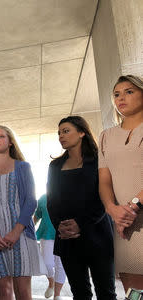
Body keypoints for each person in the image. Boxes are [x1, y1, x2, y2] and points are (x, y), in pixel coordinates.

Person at [47, 116, 116, 299]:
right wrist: (60, 226)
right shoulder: (54, 166)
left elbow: (105, 199)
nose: (61, 136)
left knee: (106, 293)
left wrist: (81, 224)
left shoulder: (99, 161)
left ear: (82, 132)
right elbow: (51, 201)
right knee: (79, 293)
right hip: (67, 238)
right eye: (59, 133)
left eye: (66, 131)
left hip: (98, 235)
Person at [0, 125, 44, 300]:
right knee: (4, 293)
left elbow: (30, 201)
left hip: (20, 233)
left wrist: (15, 232)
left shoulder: (23, 167)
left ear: (11, 142)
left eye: (1, 136)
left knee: (23, 292)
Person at [98, 75, 143, 291]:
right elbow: (105, 180)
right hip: (123, 223)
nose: (121, 97)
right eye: (116, 94)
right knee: (133, 291)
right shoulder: (106, 136)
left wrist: (134, 206)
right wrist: (112, 209)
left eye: (129, 91)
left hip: (133, 214)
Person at [34, 194, 66, 300]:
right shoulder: (43, 198)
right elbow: (37, 216)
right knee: (46, 263)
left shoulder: (67, 196)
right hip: (46, 234)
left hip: (63, 235)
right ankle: (51, 283)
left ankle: (57, 294)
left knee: (60, 265)